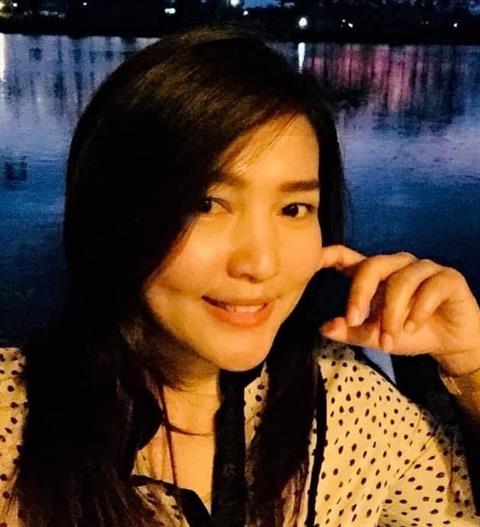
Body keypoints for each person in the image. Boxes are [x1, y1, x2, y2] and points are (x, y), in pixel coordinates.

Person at [0, 23, 479, 527]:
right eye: (206, 204)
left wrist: (469, 364)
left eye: (293, 209)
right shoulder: (15, 423)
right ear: (112, 213)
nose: (261, 264)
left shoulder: (349, 404)